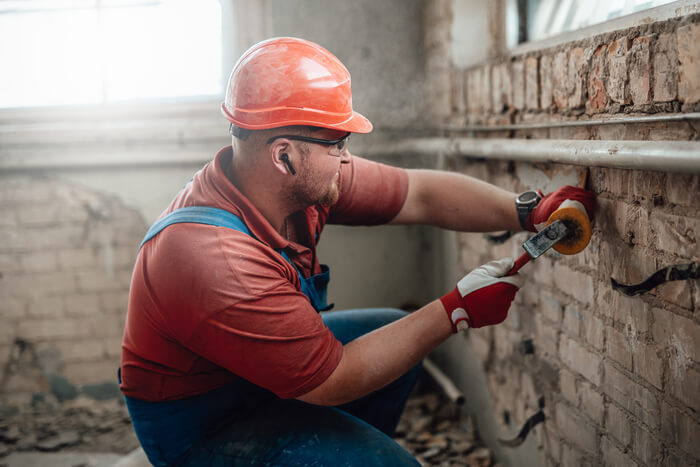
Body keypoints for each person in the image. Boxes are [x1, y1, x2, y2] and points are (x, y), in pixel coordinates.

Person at [119, 37, 595, 466]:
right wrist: (455, 311)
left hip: (248, 376)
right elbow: (332, 380)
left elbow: (418, 194)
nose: (346, 158)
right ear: (283, 154)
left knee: (389, 332)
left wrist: (527, 211)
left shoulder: (289, 182)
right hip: (201, 426)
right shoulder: (215, 257)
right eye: (338, 142)